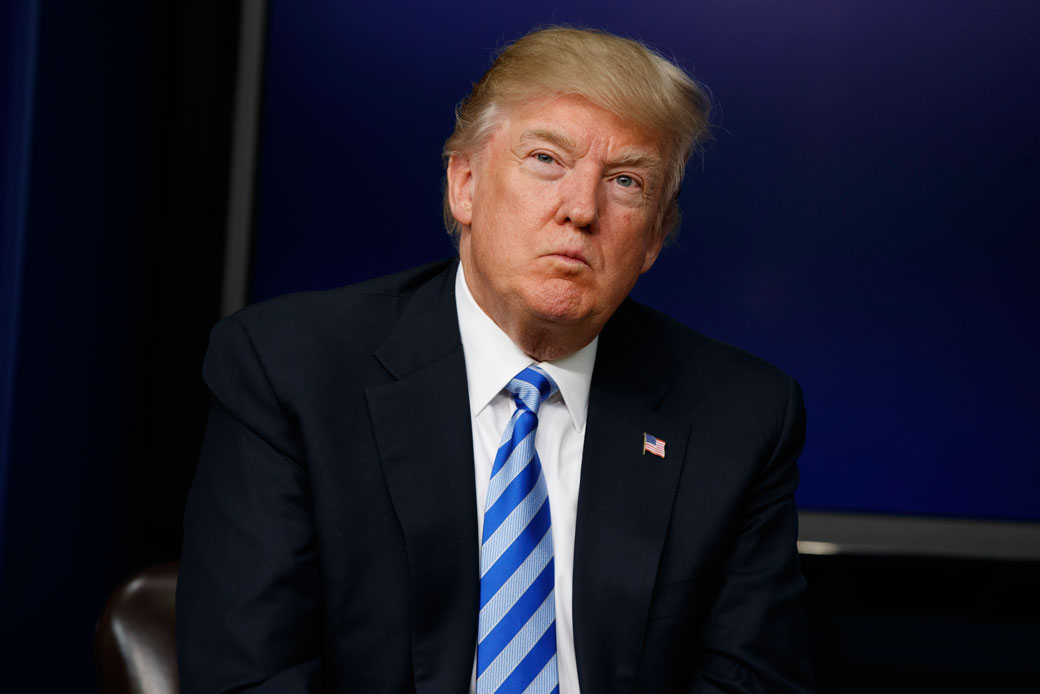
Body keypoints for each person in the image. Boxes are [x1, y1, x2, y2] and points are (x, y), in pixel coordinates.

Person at [176, 26, 813, 694]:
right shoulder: (291, 371)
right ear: (466, 185)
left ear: (653, 239)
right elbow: (248, 678)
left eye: (626, 181)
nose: (580, 209)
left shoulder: (739, 419)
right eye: (546, 159)